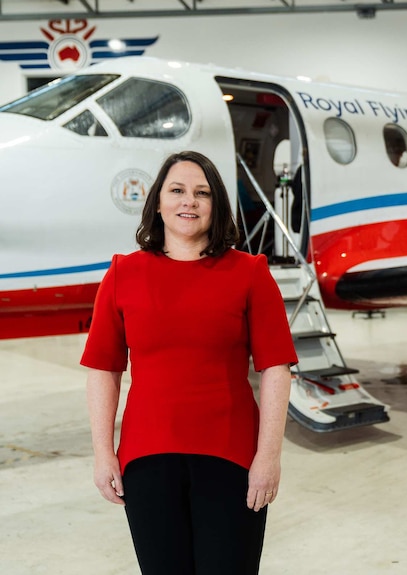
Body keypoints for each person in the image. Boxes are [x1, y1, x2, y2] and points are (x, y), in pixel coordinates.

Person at [82, 150, 297, 575]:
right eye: (177, 190)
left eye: (202, 193)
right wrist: (103, 452)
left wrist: (268, 457)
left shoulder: (249, 273)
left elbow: (275, 369)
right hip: (146, 459)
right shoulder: (123, 273)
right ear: (157, 202)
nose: (189, 201)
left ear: (215, 204)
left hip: (232, 456)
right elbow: (104, 368)